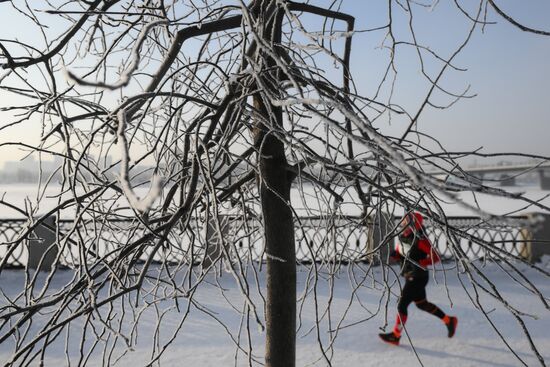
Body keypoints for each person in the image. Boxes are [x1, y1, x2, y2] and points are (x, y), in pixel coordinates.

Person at [379, 211, 458, 346]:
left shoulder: (421, 240)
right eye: (403, 222)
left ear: (414, 224)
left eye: (406, 222)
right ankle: (448, 320)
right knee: (422, 304)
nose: (403, 224)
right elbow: (403, 252)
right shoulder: (404, 236)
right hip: (410, 275)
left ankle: (396, 335)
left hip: (417, 277)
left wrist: (421, 263)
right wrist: (396, 255)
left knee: (401, 306)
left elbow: (436, 257)